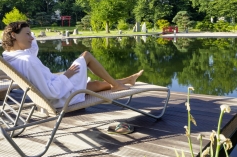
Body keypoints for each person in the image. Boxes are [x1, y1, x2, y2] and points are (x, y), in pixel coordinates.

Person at [2, 21, 144, 108]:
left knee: (92, 85)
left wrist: (24, 33)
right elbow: (50, 92)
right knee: (86, 56)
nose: (32, 37)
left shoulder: (10, 57)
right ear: (14, 35)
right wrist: (66, 75)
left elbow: (33, 49)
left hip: (57, 92)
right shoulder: (27, 61)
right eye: (27, 34)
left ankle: (127, 80)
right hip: (59, 98)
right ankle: (118, 84)